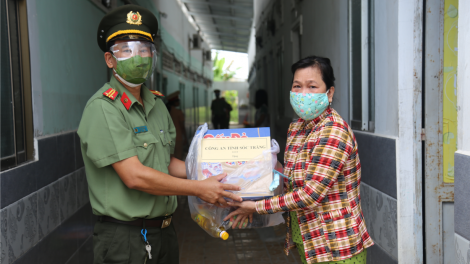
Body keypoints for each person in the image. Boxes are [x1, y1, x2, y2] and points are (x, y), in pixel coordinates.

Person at [77, 5, 241, 264]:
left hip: (164, 233)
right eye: (126, 50)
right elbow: (134, 176)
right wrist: (199, 188)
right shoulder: (103, 108)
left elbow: (167, 163)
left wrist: (223, 172)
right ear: (110, 60)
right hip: (125, 239)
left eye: (144, 49)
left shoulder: (156, 106)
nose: (138, 56)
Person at [224, 56, 374, 264]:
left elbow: (310, 194)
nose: (303, 94)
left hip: (336, 243)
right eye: (297, 86)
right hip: (307, 236)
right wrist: (259, 177)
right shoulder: (297, 127)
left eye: (312, 86)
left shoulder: (333, 131)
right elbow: (291, 177)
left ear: (329, 92)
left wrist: (257, 207)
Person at [166, 91, 187, 160]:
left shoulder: (166, 112)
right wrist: (186, 138)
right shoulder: (178, 112)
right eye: (178, 100)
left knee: (171, 158)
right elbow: (182, 126)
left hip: (168, 138)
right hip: (178, 138)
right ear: (174, 102)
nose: (179, 102)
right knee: (178, 158)